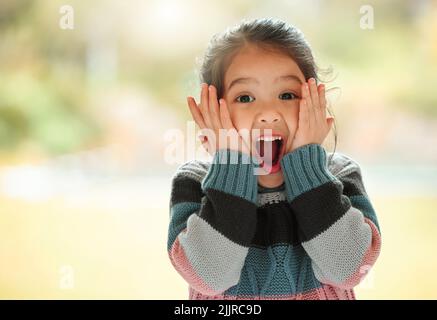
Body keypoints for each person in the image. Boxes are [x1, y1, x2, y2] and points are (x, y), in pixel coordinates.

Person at [167, 17, 381, 300]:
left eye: (287, 94)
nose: (269, 112)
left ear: (316, 106)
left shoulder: (339, 175)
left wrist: (307, 168)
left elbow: (348, 269)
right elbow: (211, 275)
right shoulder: (194, 183)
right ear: (212, 116)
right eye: (245, 98)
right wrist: (232, 164)